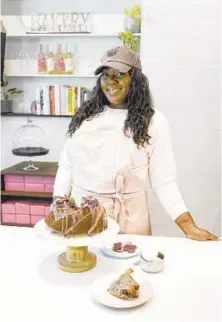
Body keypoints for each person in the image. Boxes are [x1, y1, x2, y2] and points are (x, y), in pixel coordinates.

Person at [53, 46, 218, 241]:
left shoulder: (154, 121)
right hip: (83, 215)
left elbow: (163, 181)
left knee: (130, 270)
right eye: (105, 75)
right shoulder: (86, 116)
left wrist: (189, 227)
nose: (110, 82)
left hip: (129, 218)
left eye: (119, 74)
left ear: (135, 79)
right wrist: (58, 206)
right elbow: (67, 166)